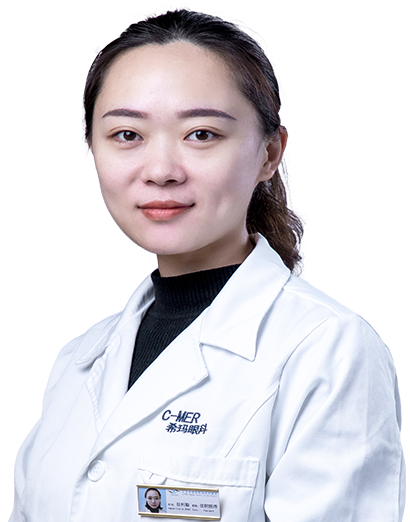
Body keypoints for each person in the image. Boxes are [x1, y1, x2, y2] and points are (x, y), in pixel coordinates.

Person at [10, 9, 405, 522]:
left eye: (201, 134)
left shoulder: (327, 350)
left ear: (269, 153)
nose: (161, 171)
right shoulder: (78, 361)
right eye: (127, 135)